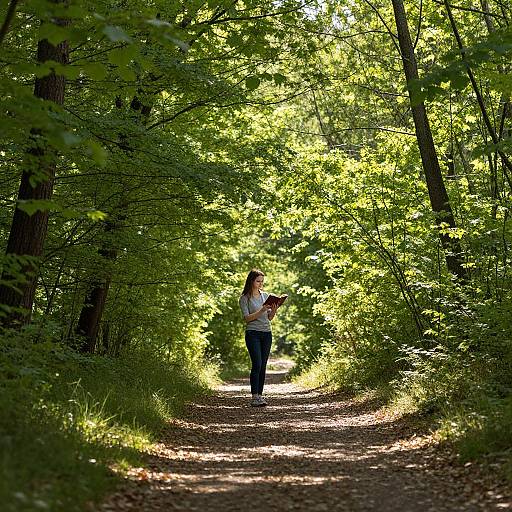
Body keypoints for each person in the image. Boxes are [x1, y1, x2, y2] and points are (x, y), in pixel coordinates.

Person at [239, 269, 279, 407]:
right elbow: (247, 318)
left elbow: (269, 317)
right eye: (258, 281)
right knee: (257, 364)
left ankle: (260, 396)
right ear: (251, 281)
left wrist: (274, 309)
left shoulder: (265, 295)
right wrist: (261, 310)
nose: (261, 284)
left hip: (266, 334)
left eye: (262, 281)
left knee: (263, 366)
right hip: (253, 334)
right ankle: (254, 397)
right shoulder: (245, 298)